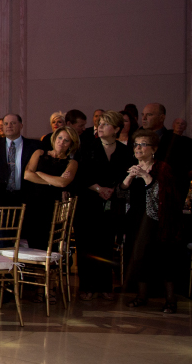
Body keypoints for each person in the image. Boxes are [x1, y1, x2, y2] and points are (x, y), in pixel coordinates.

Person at [121, 129, 182, 313]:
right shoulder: (132, 166)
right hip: (137, 219)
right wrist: (130, 177)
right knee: (139, 258)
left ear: (153, 148)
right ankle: (141, 296)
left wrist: (146, 176)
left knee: (164, 259)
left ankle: (171, 300)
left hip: (157, 221)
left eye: (143, 144)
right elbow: (120, 193)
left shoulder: (162, 168)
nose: (138, 148)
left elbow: (165, 195)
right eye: (136, 144)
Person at [75, 111, 132, 300]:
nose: (99, 126)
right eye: (99, 123)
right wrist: (99, 188)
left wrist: (113, 189)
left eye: (105, 124)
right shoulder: (88, 146)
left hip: (111, 203)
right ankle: (86, 286)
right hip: (88, 202)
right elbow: (80, 174)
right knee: (86, 244)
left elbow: (125, 176)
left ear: (116, 129)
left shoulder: (124, 151)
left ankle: (105, 285)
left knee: (107, 244)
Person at [22, 126, 79, 253]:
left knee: (50, 245)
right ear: (54, 138)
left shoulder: (71, 163)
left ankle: (50, 271)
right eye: (60, 138)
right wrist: (53, 182)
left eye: (66, 140)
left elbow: (63, 183)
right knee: (33, 244)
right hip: (34, 204)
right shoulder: (40, 153)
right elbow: (27, 175)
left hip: (54, 207)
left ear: (71, 144)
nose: (61, 142)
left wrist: (39, 173)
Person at [0, 113, 38, 208]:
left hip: (27, 198)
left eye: (13, 123)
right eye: (6, 124)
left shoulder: (34, 146)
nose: (9, 126)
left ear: (21, 126)